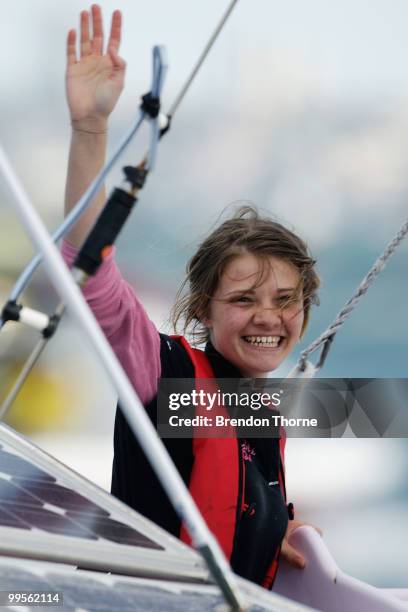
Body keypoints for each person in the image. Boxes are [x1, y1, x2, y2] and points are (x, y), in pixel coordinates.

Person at [63, 4, 321, 589]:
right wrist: (90, 131)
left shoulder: (261, 408)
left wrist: (273, 528)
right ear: (203, 306)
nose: (268, 318)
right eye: (244, 299)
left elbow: (235, 502)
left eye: (286, 299)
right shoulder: (166, 376)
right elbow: (92, 275)